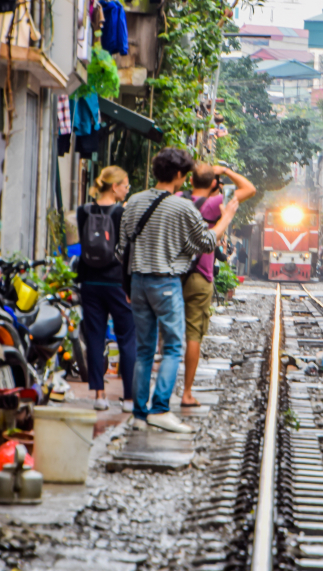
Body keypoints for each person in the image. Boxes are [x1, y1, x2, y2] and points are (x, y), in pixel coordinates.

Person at [118, 149, 239, 433]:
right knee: (172, 346)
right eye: (184, 175)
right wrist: (226, 218)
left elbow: (121, 248)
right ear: (178, 175)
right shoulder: (182, 207)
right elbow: (207, 242)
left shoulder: (133, 202)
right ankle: (160, 409)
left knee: (144, 349)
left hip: (137, 282)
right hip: (166, 282)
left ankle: (139, 414)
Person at [180, 163, 255, 408]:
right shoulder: (215, 203)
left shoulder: (178, 198)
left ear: (191, 180)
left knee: (167, 332)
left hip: (173, 273)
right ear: (214, 183)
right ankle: (186, 393)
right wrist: (226, 171)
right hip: (200, 274)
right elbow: (249, 189)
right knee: (194, 334)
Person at [77, 166, 137, 413]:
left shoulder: (83, 211)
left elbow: (82, 243)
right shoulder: (121, 213)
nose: (127, 190)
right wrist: (130, 286)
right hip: (116, 282)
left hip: (89, 282)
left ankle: (99, 395)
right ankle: (129, 399)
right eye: (125, 185)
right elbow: (127, 251)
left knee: (94, 336)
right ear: (114, 187)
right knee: (127, 338)